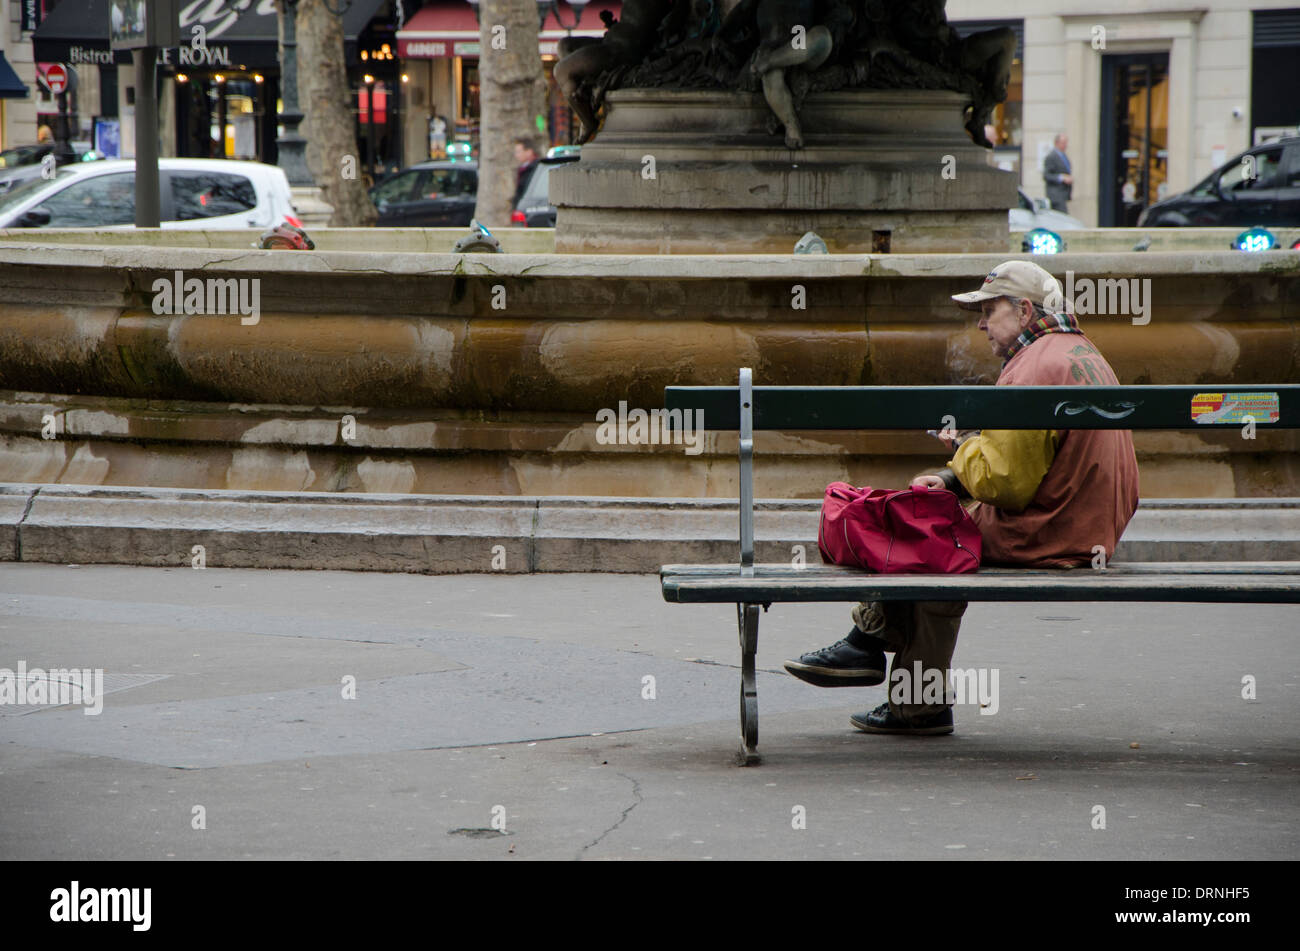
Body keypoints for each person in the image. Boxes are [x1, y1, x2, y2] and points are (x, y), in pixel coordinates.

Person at [784, 260, 1140, 735]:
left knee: (927, 539)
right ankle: (873, 655)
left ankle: (891, 673)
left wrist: (961, 445)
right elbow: (1029, 463)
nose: (981, 323)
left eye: (990, 310)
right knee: (933, 519)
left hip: (1050, 532)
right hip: (1088, 522)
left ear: (1024, 310)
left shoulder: (1032, 369)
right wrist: (953, 480)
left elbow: (1007, 484)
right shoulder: (1081, 353)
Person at [1043, 133, 1073, 212]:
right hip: (1055, 197)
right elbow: (1046, 175)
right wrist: (1061, 178)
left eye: (1066, 143)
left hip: (1063, 195)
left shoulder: (1064, 156)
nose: (1066, 145)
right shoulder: (1051, 156)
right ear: (1057, 143)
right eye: (1063, 143)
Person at [513, 138, 540, 206]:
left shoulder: (536, 168)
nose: (516, 155)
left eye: (519, 152)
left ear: (529, 152)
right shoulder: (524, 168)